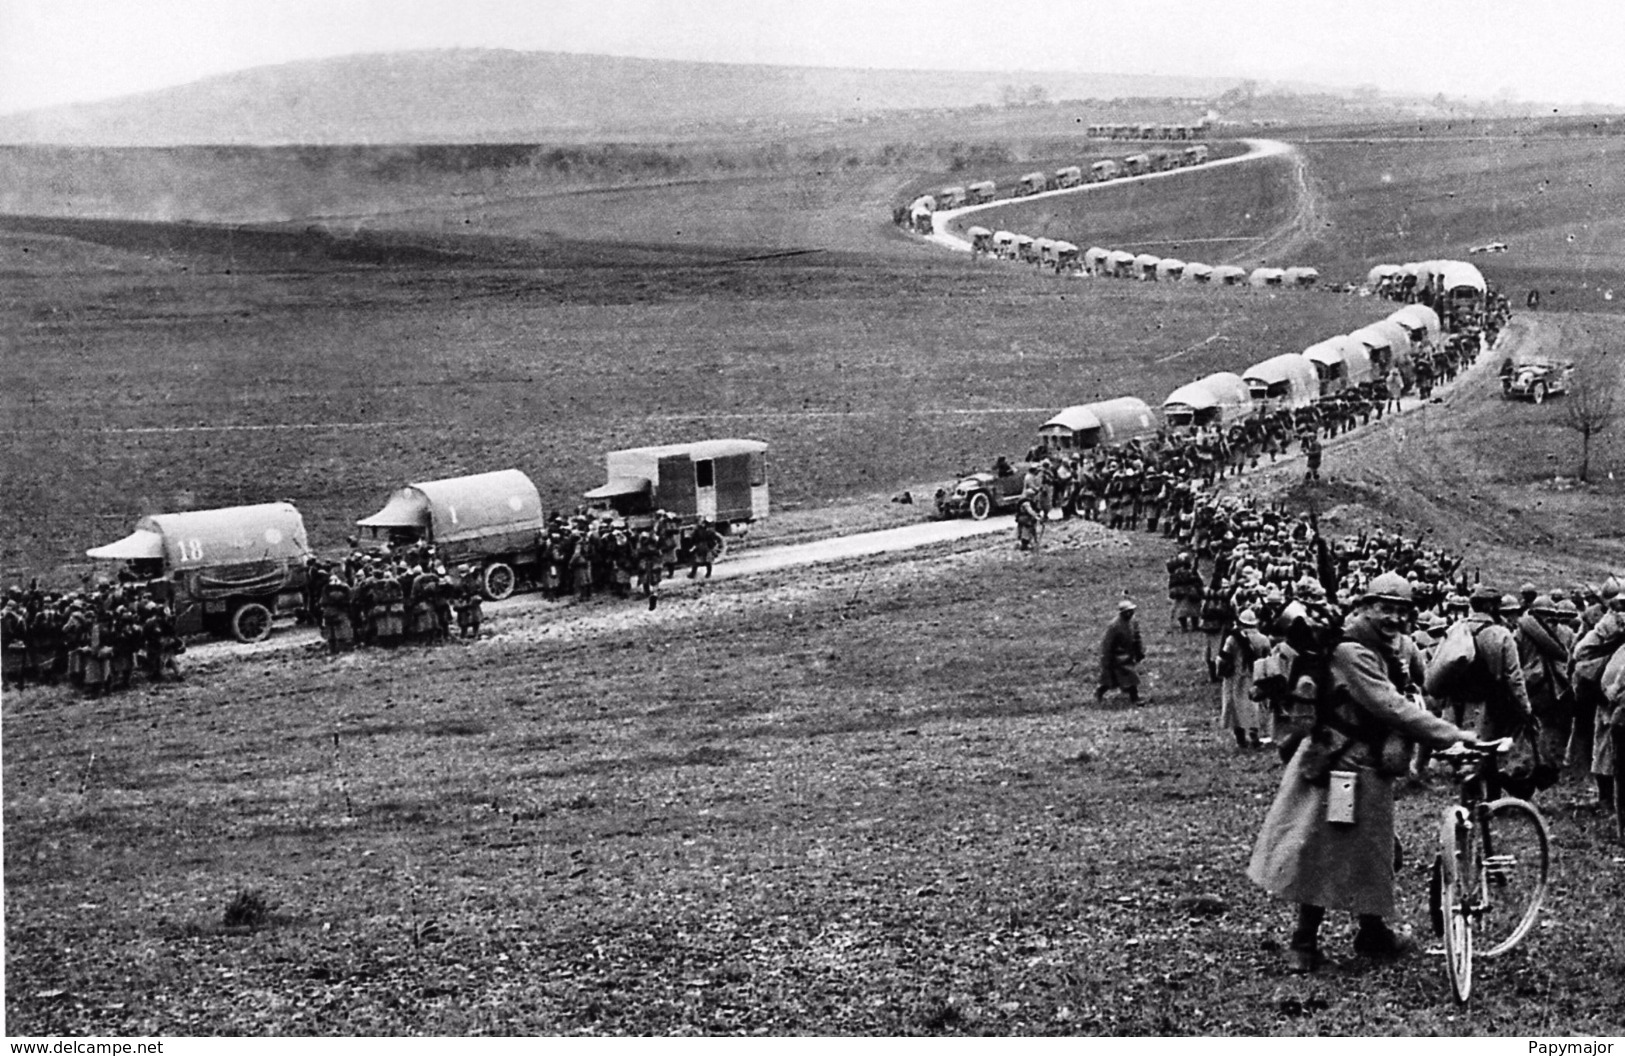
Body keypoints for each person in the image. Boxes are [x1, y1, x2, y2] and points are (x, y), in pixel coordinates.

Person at [1248, 572, 1476, 972]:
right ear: (1363, 608)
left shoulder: (1383, 649)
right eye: (1383, 608)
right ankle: (1304, 944)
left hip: (1359, 768)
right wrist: (1453, 735)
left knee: (1373, 851)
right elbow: (1390, 707)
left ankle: (1371, 932)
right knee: (1326, 851)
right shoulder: (1353, 653)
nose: (1393, 618)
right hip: (1343, 769)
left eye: (1400, 610)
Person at [1220, 609, 1269, 748]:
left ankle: (1240, 739)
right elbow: (1268, 658)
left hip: (1236, 677)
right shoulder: (1263, 639)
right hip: (1256, 676)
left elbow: (1223, 659)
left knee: (1236, 708)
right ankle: (1255, 736)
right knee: (1254, 708)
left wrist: (1222, 672)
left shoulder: (1232, 639)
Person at [1095, 599, 1146, 706]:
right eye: (1127, 611)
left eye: (1131, 611)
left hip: (1128, 655)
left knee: (1130, 678)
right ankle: (1100, 692)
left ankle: (1134, 698)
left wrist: (1139, 652)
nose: (1130, 613)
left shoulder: (1133, 621)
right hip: (1116, 658)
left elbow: (1136, 637)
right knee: (1111, 680)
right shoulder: (1114, 626)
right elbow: (1107, 645)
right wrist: (1106, 660)